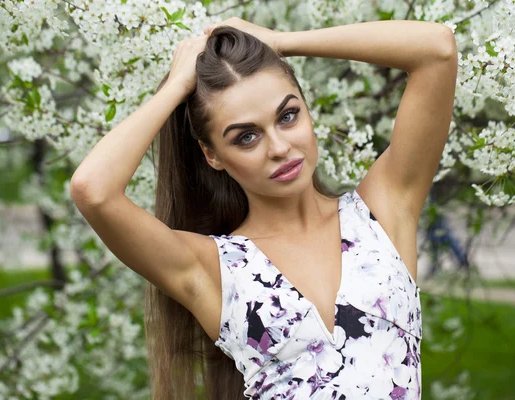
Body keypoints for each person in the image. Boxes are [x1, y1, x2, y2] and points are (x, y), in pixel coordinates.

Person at [70, 17, 457, 400]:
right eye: (246, 137)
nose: (279, 147)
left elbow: (437, 49)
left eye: (288, 116)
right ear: (212, 155)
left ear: (308, 111)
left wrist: (282, 40)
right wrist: (176, 87)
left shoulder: (383, 212)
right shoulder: (213, 268)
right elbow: (93, 190)